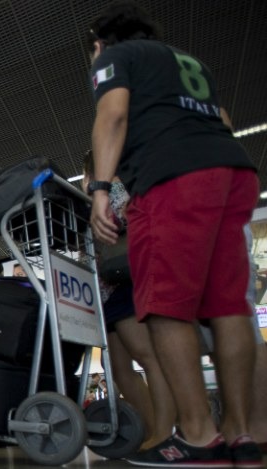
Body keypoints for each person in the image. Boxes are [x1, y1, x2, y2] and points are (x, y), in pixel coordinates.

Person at [86, 2, 261, 466]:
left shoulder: (113, 56)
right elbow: (223, 120)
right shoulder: (188, 63)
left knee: (165, 306)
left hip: (171, 179)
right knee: (228, 306)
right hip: (231, 173)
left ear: (100, 41)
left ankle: (199, 435)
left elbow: (113, 115)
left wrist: (100, 189)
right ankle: (239, 433)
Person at [82, 149, 176, 449]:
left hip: (123, 283)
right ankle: (151, 432)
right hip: (111, 290)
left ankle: (163, 433)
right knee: (119, 367)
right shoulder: (110, 195)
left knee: (147, 357)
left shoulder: (113, 191)